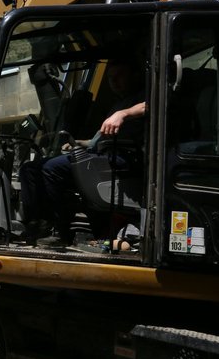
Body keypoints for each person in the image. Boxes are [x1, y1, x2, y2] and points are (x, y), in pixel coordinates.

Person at [20, 59, 147, 246]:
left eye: (119, 76)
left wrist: (124, 114)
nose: (114, 82)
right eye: (111, 78)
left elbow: (151, 105)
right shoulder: (119, 104)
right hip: (103, 154)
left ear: (136, 76)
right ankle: (35, 224)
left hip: (124, 158)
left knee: (50, 169)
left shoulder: (145, 96)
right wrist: (78, 143)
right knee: (31, 169)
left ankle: (58, 229)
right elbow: (99, 140)